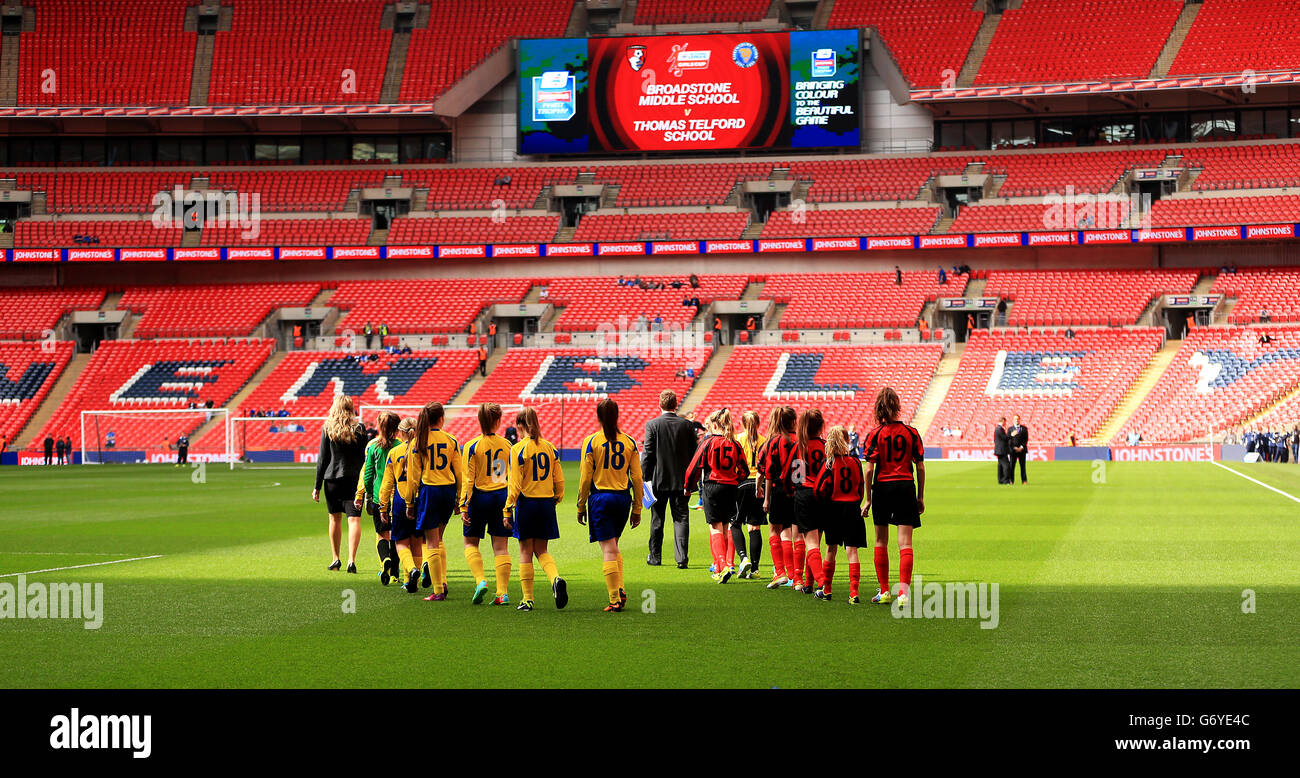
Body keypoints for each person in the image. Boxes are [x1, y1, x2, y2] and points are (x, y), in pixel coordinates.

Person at [576, 398, 643, 612]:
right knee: (613, 546)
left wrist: (580, 505)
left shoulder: (591, 442)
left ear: (598, 417)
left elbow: (585, 478)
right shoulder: (629, 442)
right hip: (622, 499)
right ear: (617, 416)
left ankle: (614, 598)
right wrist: (637, 507)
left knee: (608, 550)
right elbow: (638, 478)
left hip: (601, 499)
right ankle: (620, 588)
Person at [861, 387, 926, 607]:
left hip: (882, 487)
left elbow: (869, 470)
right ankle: (903, 594)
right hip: (906, 486)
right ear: (897, 406)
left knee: (881, 540)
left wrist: (867, 498)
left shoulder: (875, 434)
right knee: (905, 542)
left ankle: (885, 591)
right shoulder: (911, 432)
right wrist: (920, 496)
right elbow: (921, 467)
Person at [505, 407, 567, 611]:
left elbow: (514, 484)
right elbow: (559, 480)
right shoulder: (550, 448)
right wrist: (556, 498)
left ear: (520, 426)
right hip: (546, 503)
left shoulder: (518, 449)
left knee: (525, 551)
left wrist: (507, 509)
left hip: (527, 503)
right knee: (542, 550)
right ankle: (555, 578)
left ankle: (527, 599)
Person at [685, 408, 749, 585]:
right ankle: (729, 563)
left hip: (712, 486)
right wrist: (735, 479)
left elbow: (694, 467)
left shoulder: (708, 442)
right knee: (727, 525)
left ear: (714, 424)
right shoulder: (735, 444)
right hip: (731, 487)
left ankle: (721, 567)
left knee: (715, 527)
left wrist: (688, 487)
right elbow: (744, 469)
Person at [459, 403, 514, 606]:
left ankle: (480, 580)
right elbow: (510, 474)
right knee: (501, 547)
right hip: (501, 496)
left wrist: (464, 506)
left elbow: (468, 480)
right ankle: (502, 593)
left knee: (470, 542)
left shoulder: (473, 446)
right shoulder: (507, 445)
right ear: (498, 421)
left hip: (479, 498)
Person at [409, 402, 463, 601]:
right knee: (439, 539)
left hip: (429, 491)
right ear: (441, 418)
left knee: (431, 542)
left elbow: (414, 476)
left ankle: (439, 590)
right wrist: (460, 499)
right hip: (448, 492)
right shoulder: (451, 440)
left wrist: (409, 502)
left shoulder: (419, 441)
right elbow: (460, 473)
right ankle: (443, 580)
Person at [641, 390, 699, 569]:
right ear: (676, 404)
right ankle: (682, 559)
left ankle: (655, 557)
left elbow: (648, 454)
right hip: (681, 482)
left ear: (660, 404)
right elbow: (694, 455)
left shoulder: (652, 425)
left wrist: (645, 479)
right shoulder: (687, 426)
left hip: (658, 482)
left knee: (657, 520)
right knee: (681, 519)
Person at [313, 395, 369, 573]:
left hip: (332, 480)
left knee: (334, 519)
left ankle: (335, 558)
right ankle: (351, 560)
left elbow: (322, 459)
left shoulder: (328, 428)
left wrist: (317, 486)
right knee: (354, 520)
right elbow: (364, 458)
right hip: (354, 479)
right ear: (351, 408)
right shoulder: (360, 429)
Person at [814, 426, 867, 604]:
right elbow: (861, 487)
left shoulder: (829, 463)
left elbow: (819, 489)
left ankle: (827, 590)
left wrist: (825, 504)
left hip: (834, 509)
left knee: (831, 549)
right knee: (852, 551)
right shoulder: (856, 462)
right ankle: (854, 593)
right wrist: (856, 502)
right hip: (852, 508)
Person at [357, 412, 405, 585]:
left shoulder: (373, 447)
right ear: (397, 428)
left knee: (382, 535)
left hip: (379, 498)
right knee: (397, 536)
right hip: (398, 497)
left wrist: (368, 494)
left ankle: (384, 561)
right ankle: (395, 575)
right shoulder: (402, 446)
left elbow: (368, 474)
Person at [787, 408, 829, 596]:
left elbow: (792, 476)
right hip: (823, 497)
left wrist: (791, 493)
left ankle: (822, 583)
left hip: (804, 495)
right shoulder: (826, 446)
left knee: (810, 543)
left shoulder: (799, 447)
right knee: (817, 543)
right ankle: (809, 583)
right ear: (821, 427)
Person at [379, 417, 423, 593]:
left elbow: (387, 484)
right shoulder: (421, 450)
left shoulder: (395, 453)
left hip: (400, 498)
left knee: (401, 543)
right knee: (417, 542)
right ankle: (411, 580)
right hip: (419, 498)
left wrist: (383, 506)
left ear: (401, 432)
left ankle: (411, 570)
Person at [757, 405, 798, 590]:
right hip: (798, 490)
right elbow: (802, 468)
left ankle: (780, 572)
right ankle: (795, 576)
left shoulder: (772, 442)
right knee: (791, 531)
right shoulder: (801, 441)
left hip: (778, 489)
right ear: (793, 421)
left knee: (775, 529)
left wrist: (766, 498)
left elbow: (767, 472)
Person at [733, 410, 766, 579]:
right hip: (760, 485)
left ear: (743, 424)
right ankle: (755, 569)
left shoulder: (738, 439)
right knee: (754, 527)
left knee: (735, 523)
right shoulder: (764, 441)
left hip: (742, 483)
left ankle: (743, 558)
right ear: (758, 424)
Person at [1008, 414, 1029, 484]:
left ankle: (1024, 480)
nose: (1017, 420)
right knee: (1011, 466)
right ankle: (1011, 480)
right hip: (1013, 451)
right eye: (1015, 419)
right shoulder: (1010, 429)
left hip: (1022, 450)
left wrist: (1021, 447)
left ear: (1020, 419)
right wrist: (1014, 447)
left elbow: (1026, 439)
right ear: (1013, 420)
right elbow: (1008, 440)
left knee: (1023, 466)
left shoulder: (1024, 428)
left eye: (1018, 419)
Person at [994, 416, 1011, 485]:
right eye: (1005, 422)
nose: (1005, 423)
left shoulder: (997, 429)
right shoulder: (999, 429)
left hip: (999, 450)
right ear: (1003, 421)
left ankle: (1000, 480)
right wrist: (1011, 435)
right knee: (1006, 465)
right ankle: (1005, 480)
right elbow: (1005, 438)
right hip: (1002, 450)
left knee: (1000, 465)